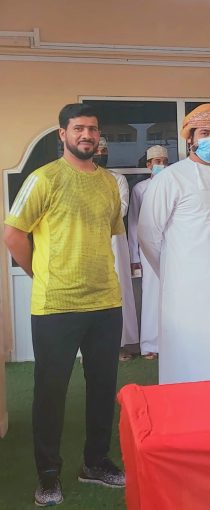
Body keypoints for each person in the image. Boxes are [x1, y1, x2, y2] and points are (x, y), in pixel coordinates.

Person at [3, 103, 126, 506]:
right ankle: (48, 475)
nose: (86, 135)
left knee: (103, 387)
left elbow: (107, 234)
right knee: (51, 393)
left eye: (92, 128)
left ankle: (95, 462)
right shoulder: (44, 179)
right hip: (56, 306)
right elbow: (13, 234)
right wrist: (40, 273)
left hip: (105, 303)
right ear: (63, 134)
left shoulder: (109, 183)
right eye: (78, 128)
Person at [138, 103, 210, 384]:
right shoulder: (170, 178)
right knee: (187, 359)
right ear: (190, 138)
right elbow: (148, 234)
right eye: (205, 133)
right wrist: (172, 270)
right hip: (184, 289)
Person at [93, 137, 139, 360]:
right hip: (88, 242)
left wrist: (92, 213)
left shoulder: (117, 179)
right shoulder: (79, 179)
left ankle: (119, 345)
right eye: (98, 150)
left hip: (114, 241)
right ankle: (90, 348)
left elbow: (121, 209)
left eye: (105, 151)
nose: (102, 154)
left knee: (117, 290)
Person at [127, 145, 169, 360]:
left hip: (173, 247)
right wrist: (134, 256)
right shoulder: (140, 189)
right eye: (157, 162)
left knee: (173, 295)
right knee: (151, 294)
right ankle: (150, 344)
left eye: (164, 161)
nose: (161, 165)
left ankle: (172, 343)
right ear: (148, 165)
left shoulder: (173, 184)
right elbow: (134, 223)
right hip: (147, 246)